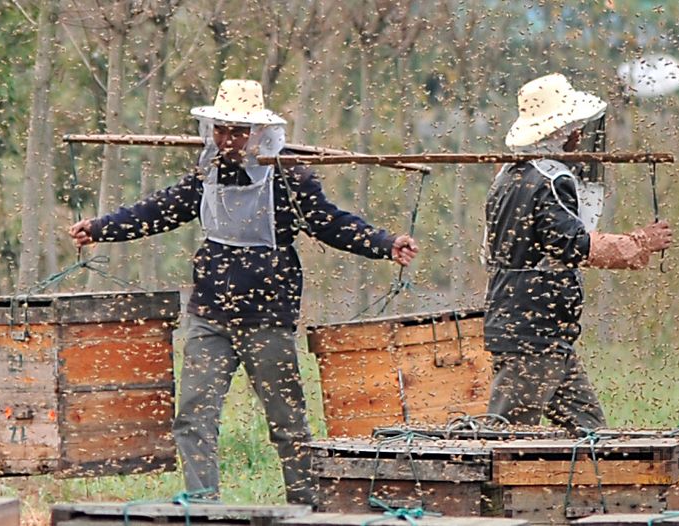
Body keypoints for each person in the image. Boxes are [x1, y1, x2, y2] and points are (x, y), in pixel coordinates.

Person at [69, 79, 419, 504]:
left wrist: (383, 243)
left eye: (237, 130)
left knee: (287, 422)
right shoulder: (207, 170)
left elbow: (330, 222)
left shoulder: (289, 176)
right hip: (210, 312)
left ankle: (306, 505)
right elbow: (160, 209)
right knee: (194, 415)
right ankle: (201, 503)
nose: (227, 138)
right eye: (221, 128)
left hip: (268, 317)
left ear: (258, 133)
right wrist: (101, 228)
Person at [483, 73, 672, 433]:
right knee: (504, 437)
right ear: (564, 130)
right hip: (532, 333)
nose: (577, 135)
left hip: (542, 332)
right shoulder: (548, 181)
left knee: (589, 433)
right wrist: (641, 242)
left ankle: (594, 490)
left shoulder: (508, 175)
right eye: (573, 127)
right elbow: (571, 244)